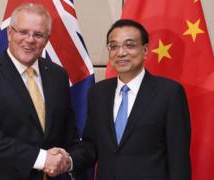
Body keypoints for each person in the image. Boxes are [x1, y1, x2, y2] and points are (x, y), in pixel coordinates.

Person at [0, 3, 78, 180]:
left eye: (38, 34)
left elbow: (68, 133)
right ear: (10, 33)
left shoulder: (58, 76)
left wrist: (65, 159)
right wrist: (42, 158)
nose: (30, 40)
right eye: (23, 32)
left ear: (47, 40)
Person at [69, 19, 192, 180]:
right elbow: (91, 145)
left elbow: (179, 159)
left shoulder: (169, 93)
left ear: (145, 50)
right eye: (113, 46)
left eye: (130, 45)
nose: (121, 53)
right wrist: (69, 160)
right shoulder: (98, 93)